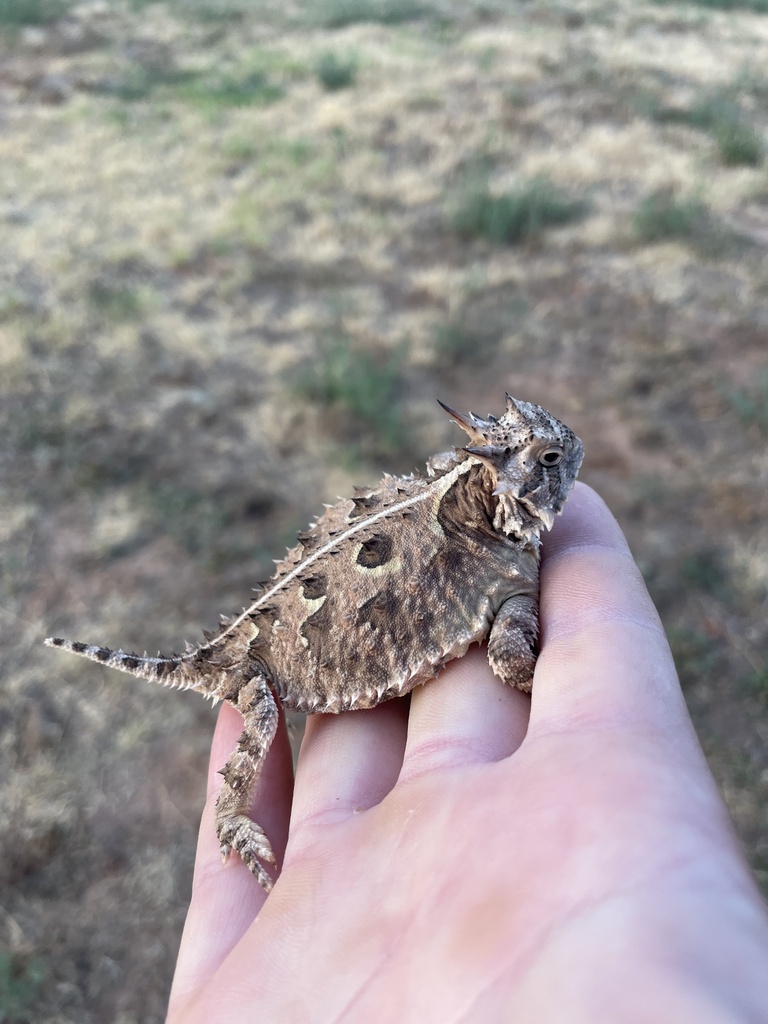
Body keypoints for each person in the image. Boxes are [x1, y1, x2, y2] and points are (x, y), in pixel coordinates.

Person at [167, 485, 768, 1022]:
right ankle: (229, 816)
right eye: (548, 463)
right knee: (262, 716)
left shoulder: (488, 543)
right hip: (271, 659)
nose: (563, 468)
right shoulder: (490, 557)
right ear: (508, 492)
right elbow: (508, 662)